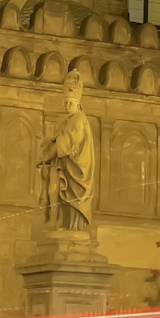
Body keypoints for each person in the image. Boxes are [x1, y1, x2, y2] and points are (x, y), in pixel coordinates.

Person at [40, 72, 98, 231]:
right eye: (65, 103)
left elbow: (63, 145)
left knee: (65, 194)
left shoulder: (78, 120)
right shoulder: (70, 120)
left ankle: (69, 227)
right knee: (55, 190)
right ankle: (60, 223)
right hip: (65, 168)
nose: (67, 106)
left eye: (70, 103)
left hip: (75, 171)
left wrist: (47, 154)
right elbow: (60, 141)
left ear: (78, 104)